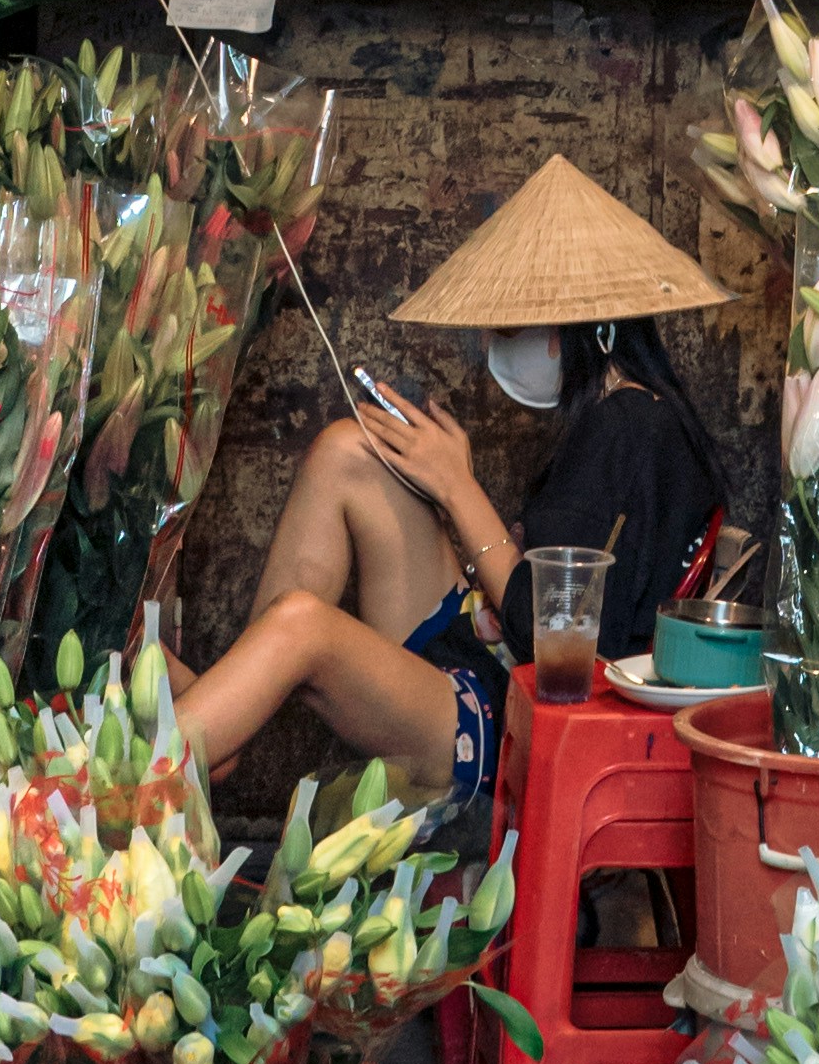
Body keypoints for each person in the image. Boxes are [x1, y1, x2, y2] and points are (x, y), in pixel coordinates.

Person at [173, 156, 731, 816]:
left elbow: (568, 645)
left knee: (305, 626)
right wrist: (458, 499)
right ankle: (223, 715)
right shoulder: (629, 420)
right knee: (347, 451)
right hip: (490, 657)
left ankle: (121, 772)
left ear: (589, 329)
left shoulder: (630, 427)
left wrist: (457, 487)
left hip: (509, 714)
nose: (500, 345)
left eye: (515, 326)